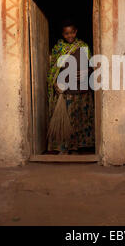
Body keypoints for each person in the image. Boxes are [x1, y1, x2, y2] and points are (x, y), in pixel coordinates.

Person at [47, 19, 95, 155]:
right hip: (65, 90)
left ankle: (78, 146)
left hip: (82, 90)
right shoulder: (58, 49)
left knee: (80, 119)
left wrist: (87, 72)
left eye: (72, 33)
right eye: (67, 34)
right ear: (63, 34)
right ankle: (64, 147)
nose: (70, 36)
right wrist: (55, 83)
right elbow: (53, 69)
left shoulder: (83, 47)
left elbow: (91, 66)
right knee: (66, 120)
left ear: (76, 32)